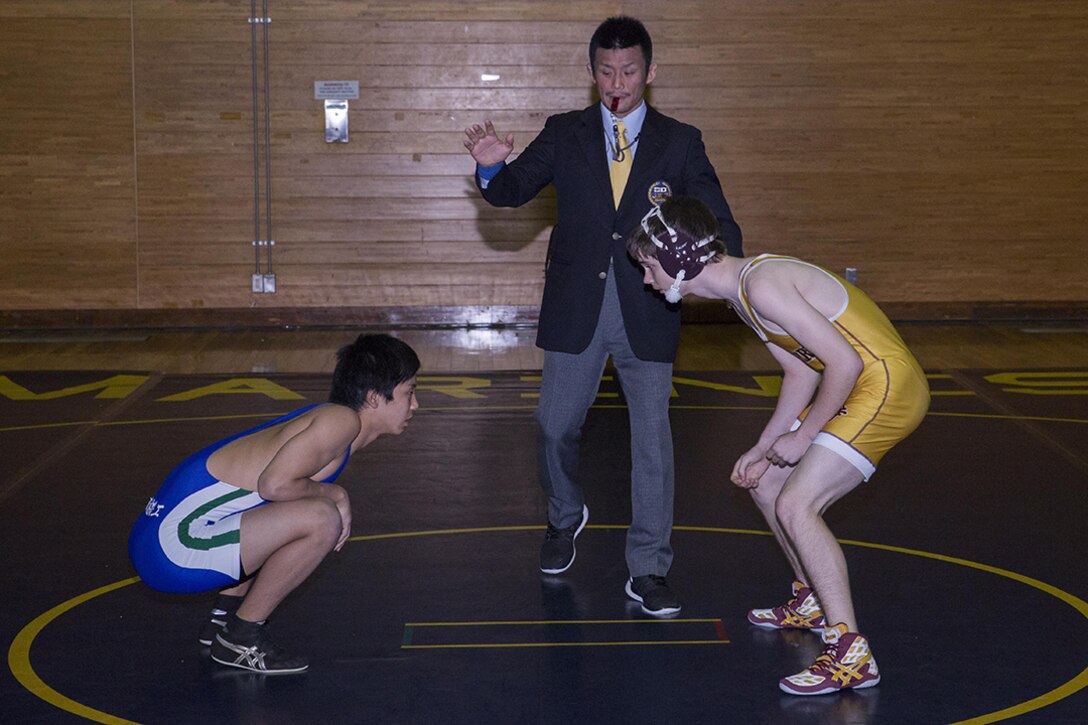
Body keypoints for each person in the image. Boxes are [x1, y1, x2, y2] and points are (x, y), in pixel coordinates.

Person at [463, 16, 742, 617]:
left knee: (652, 442)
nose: (618, 83)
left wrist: (726, 274)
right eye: (607, 71)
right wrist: (490, 169)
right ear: (592, 74)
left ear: (651, 72)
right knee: (552, 425)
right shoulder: (564, 132)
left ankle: (649, 568)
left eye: (630, 71)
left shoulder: (680, 141)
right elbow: (512, 190)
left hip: (649, 305)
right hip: (577, 304)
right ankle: (565, 514)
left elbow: (718, 221)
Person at [626, 196, 929, 694]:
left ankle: (851, 653)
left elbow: (845, 363)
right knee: (766, 482)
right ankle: (813, 600)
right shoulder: (743, 294)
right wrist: (764, 445)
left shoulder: (762, 285)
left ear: (680, 257)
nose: (647, 279)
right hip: (858, 385)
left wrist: (804, 435)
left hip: (886, 386)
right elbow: (800, 371)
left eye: (649, 266)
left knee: (796, 504)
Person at [128, 334, 420, 674]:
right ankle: (241, 637)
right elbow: (274, 485)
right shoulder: (341, 423)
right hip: (173, 548)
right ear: (373, 397)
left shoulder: (327, 419)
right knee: (322, 518)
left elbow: (257, 504)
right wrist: (336, 494)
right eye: (409, 392)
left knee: (291, 512)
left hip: (160, 540)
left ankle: (223, 621)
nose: (415, 405)